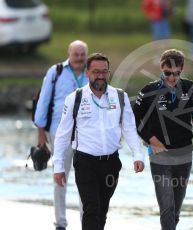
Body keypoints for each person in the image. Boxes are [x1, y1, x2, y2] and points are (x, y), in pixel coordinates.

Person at [52, 53, 145, 230]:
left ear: (108, 73)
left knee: (102, 210)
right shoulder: (75, 98)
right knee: (91, 208)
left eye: (104, 72)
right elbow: (62, 135)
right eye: (96, 72)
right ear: (87, 73)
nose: (100, 76)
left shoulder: (120, 97)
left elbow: (129, 128)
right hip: (85, 162)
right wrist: (58, 167)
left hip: (111, 163)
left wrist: (137, 155)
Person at [133, 49, 193, 230]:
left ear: (182, 69)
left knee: (175, 211)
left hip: (185, 154)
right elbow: (133, 120)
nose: (172, 78)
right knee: (167, 208)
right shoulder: (149, 90)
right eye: (168, 73)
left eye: (176, 74)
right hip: (160, 155)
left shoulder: (190, 88)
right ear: (161, 68)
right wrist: (151, 139)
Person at [34, 40, 89, 230]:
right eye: (76, 54)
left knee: (86, 179)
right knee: (60, 177)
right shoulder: (55, 72)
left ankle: (87, 222)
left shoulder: (92, 72)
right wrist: (40, 134)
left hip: (87, 136)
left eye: (82, 54)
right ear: (69, 54)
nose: (79, 58)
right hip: (59, 134)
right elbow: (43, 103)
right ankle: (60, 223)